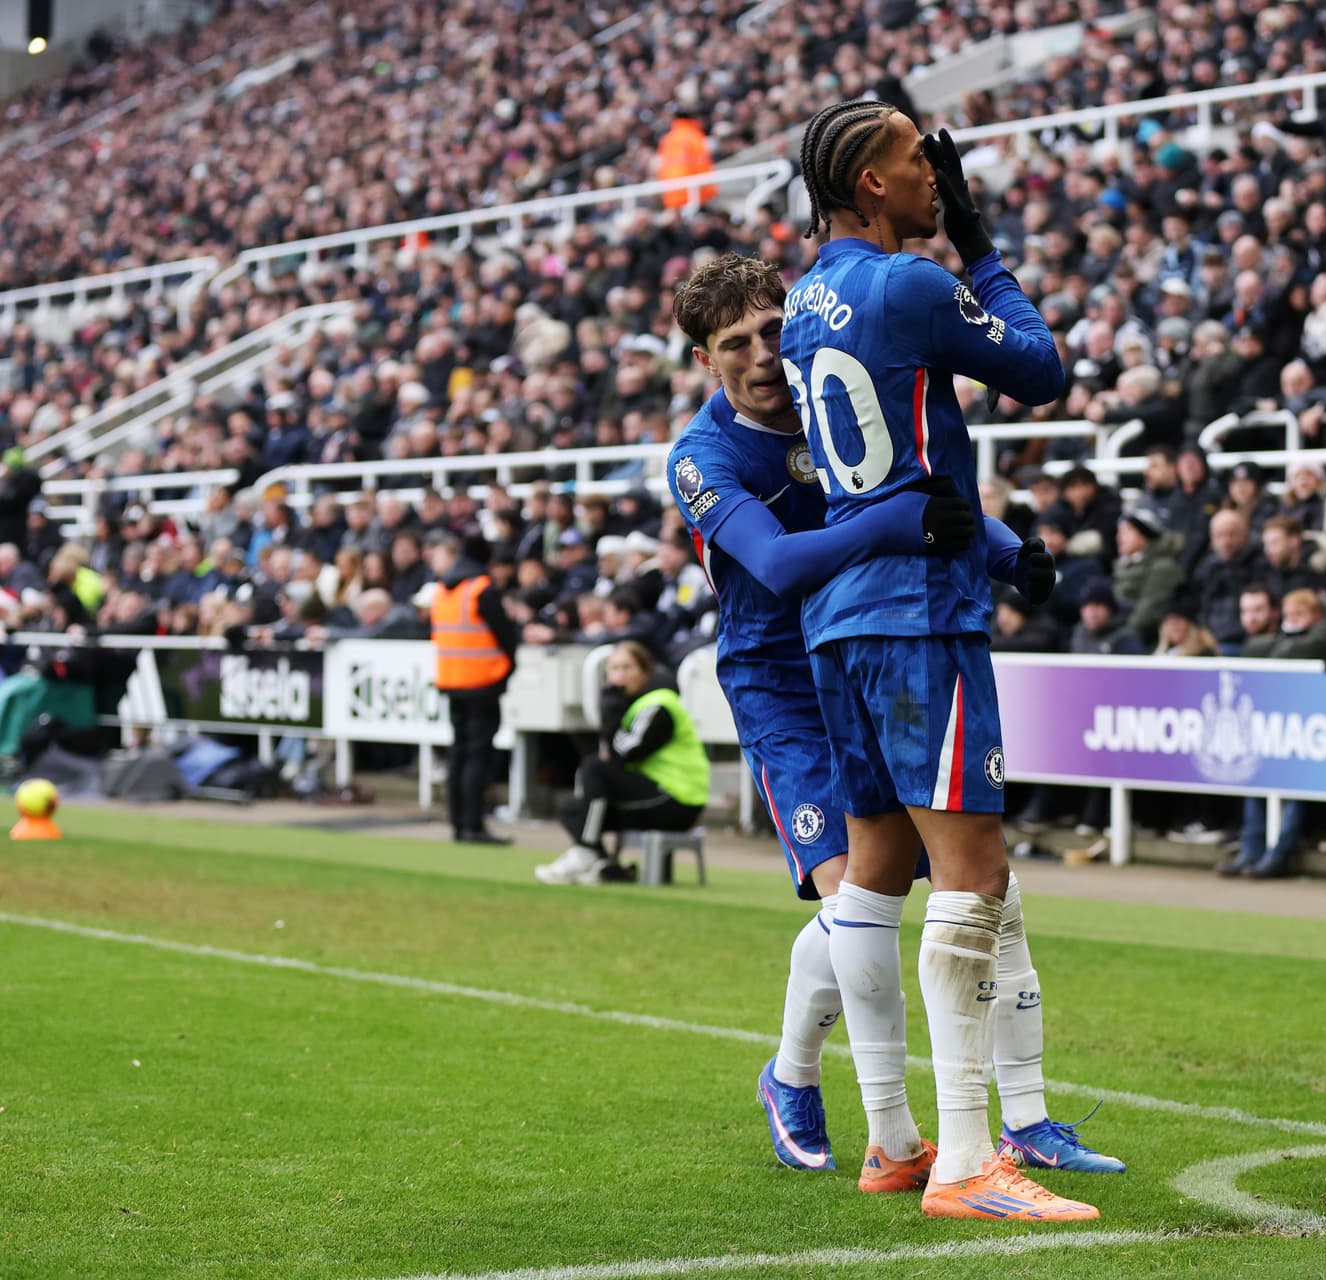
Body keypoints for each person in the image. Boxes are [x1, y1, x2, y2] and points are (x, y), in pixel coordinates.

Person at [667, 254, 1119, 1206]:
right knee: (854, 896)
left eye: (767, 330)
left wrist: (1003, 552)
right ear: (705, 360)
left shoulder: (830, 398)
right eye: (734, 344)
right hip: (782, 687)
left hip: (871, 642)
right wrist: (897, 527)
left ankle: (1006, 1120)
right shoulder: (699, 458)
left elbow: (911, 494)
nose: (760, 356)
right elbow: (787, 562)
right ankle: (818, 1088)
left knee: (944, 879)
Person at [780, 104, 1099, 1222]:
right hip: (920, 613)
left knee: (873, 869)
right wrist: (977, 238)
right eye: (922, 161)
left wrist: (1001, 546)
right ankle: (971, 1158)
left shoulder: (802, 305)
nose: (937, 174)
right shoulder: (907, 285)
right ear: (874, 180)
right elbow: (1044, 369)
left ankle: (889, 1138)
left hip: (841, 620)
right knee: (975, 874)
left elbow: (908, 453)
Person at [536, 641, 709, 883]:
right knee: (572, 810)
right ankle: (607, 867)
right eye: (613, 668)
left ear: (645, 672)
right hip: (651, 791)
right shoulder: (630, 704)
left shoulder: (659, 704)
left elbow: (625, 754)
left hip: (676, 798)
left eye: (627, 667)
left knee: (593, 768)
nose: (619, 675)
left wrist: (610, 719)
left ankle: (585, 852)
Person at [425, 530, 517, 845]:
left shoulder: (444, 589)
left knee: (459, 754)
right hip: (483, 681)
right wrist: (509, 668)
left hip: (452, 680)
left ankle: (458, 823)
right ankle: (473, 825)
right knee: (477, 756)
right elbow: (506, 635)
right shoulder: (481, 588)